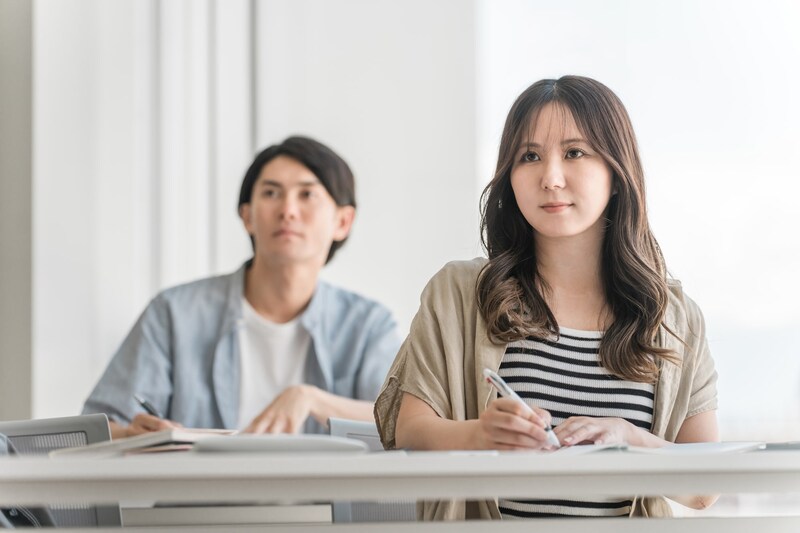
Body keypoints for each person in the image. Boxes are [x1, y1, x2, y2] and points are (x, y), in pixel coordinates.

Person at [374, 76, 719, 519]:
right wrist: (480, 436)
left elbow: (704, 489)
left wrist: (631, 441)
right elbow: (409, 432)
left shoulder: (674, 318)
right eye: (530, 156)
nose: (551, 179)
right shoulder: (458, 292)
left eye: (574, 153)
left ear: (617, 174)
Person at [84, 136, 402, 439]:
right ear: (247, 216)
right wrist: (132, 435)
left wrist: (311, 399)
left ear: (342, 222)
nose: (288, 210)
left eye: (307, 195)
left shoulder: (368, 325)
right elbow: (97, 428)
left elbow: (403, 422)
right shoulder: (174, 312)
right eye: (271, 193)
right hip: (199, 481)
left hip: (325, 484)